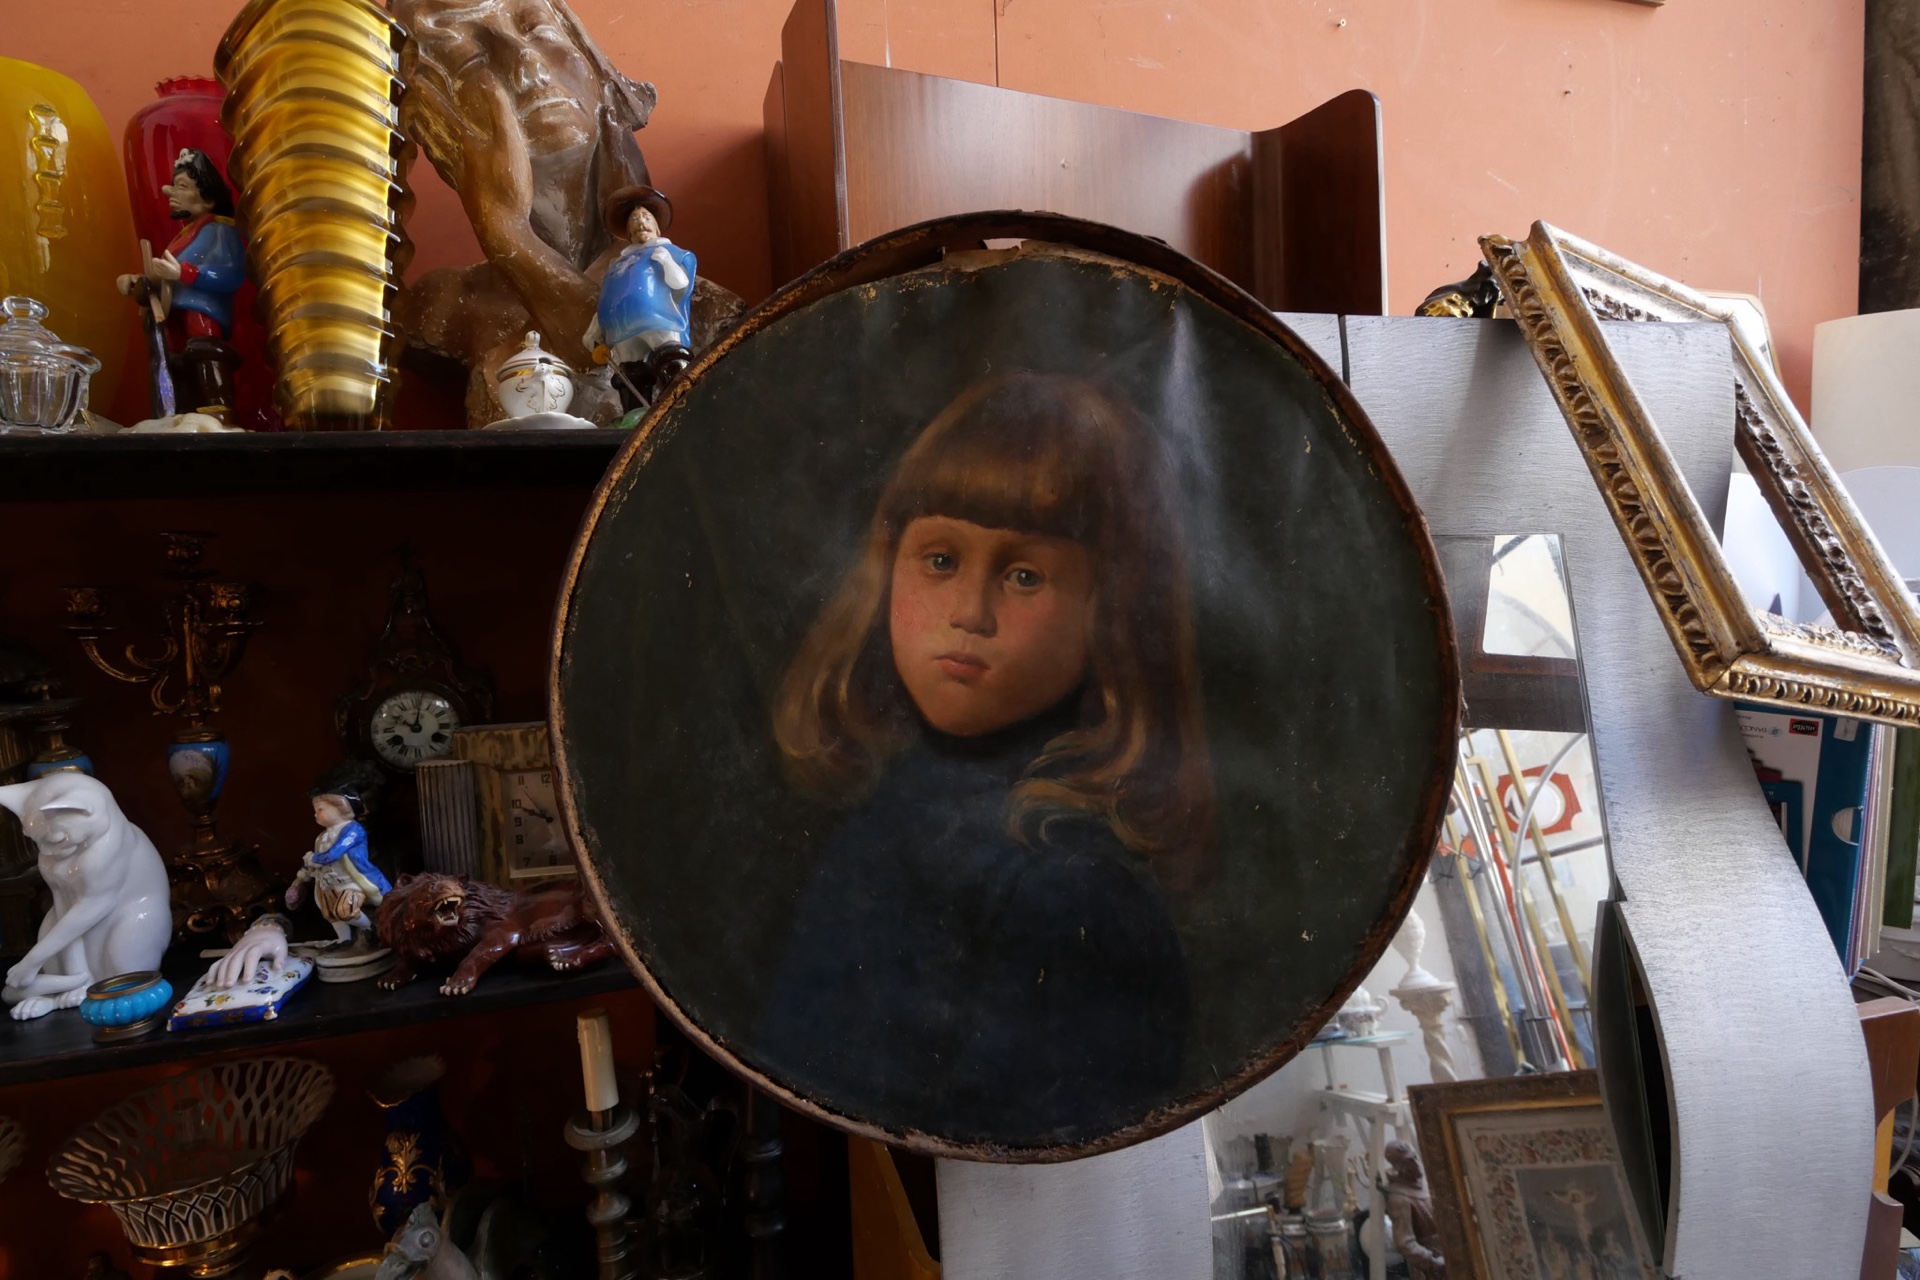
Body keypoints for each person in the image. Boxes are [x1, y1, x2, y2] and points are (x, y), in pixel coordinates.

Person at [762, 371, 1214, 1140]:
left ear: (1110, 608)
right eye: (940, 561)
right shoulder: (888, 820)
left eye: (1024, 575)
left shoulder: (1078, 894)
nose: (969, 614)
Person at [392, 0, 741, 423]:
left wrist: (511, 237)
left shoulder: (698, 305)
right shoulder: (442, 308)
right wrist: (503, 232)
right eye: (473, 60)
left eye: (539, 32)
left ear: (597, 70)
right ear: (439, 127)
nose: (527, 67)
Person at [115, 148, 245, 419]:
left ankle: (218, 407)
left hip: (203, 315)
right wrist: (140, 281)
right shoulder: (183, 236)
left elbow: (232, 275)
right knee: (173, 359)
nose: (170, 193)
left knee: (204, 352)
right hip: (172, 314)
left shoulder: (220, 230)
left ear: (208, 197)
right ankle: (183, 410)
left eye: (182, 186)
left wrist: (187, 273)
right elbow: (165, 276)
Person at [584, 185, 696, 408]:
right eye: (634, 220)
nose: (640, 223)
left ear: (656, 226)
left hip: (657, 317)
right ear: (628, 231)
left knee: (670, 358)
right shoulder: (617, 265)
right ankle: (634, 416)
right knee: (629, 373)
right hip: (621, 327)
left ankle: (682, 408)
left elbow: (681, 283)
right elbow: (609, 297)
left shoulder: (667, 252)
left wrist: (666, 262)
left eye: (646, 217)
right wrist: (597, 326)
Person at [286, 763, 391, 960]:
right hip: (328, 884)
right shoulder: (321, 837)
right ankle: (345, 940)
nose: (316, 814)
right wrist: (299, 879)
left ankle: (369, 929)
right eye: (315, 810)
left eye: (320, 809)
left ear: (341, 807)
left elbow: (334, 853)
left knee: (346, 910)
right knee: (331, 914)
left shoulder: (352, 830)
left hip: (351, 882)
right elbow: (312, 862)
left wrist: (314, 858)